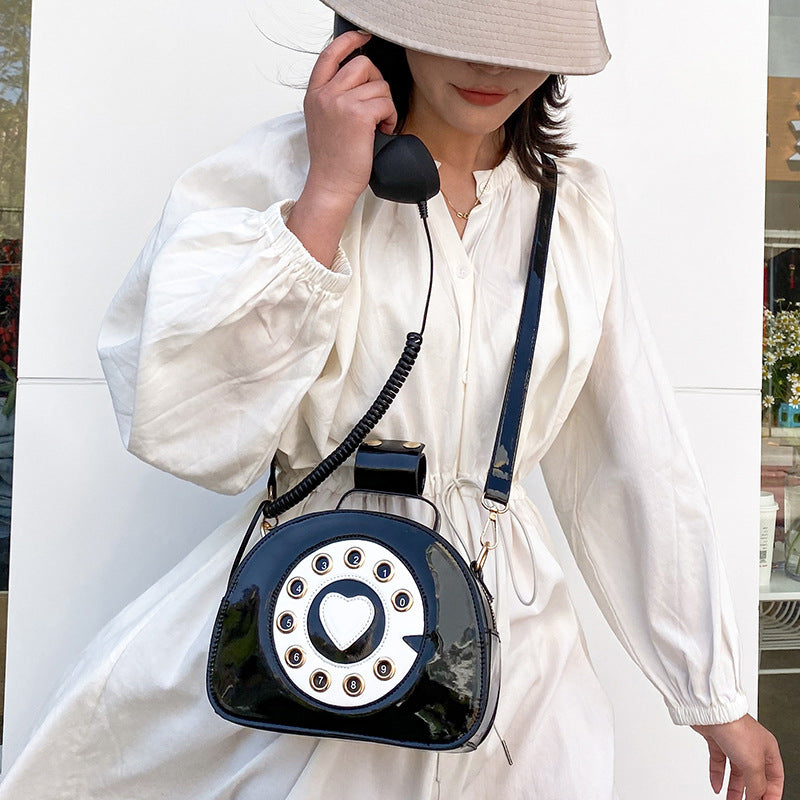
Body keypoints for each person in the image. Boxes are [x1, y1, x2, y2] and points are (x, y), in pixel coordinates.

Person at [0, 1, 785, 798]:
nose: (492, 67)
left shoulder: (571, 207)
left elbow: (632, 452)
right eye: (459, 33)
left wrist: (708, 689)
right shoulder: (282, 167)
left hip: (511, 645)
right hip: (309, 611)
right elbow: (183, 413)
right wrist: (327, 193)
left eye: (522, 42)